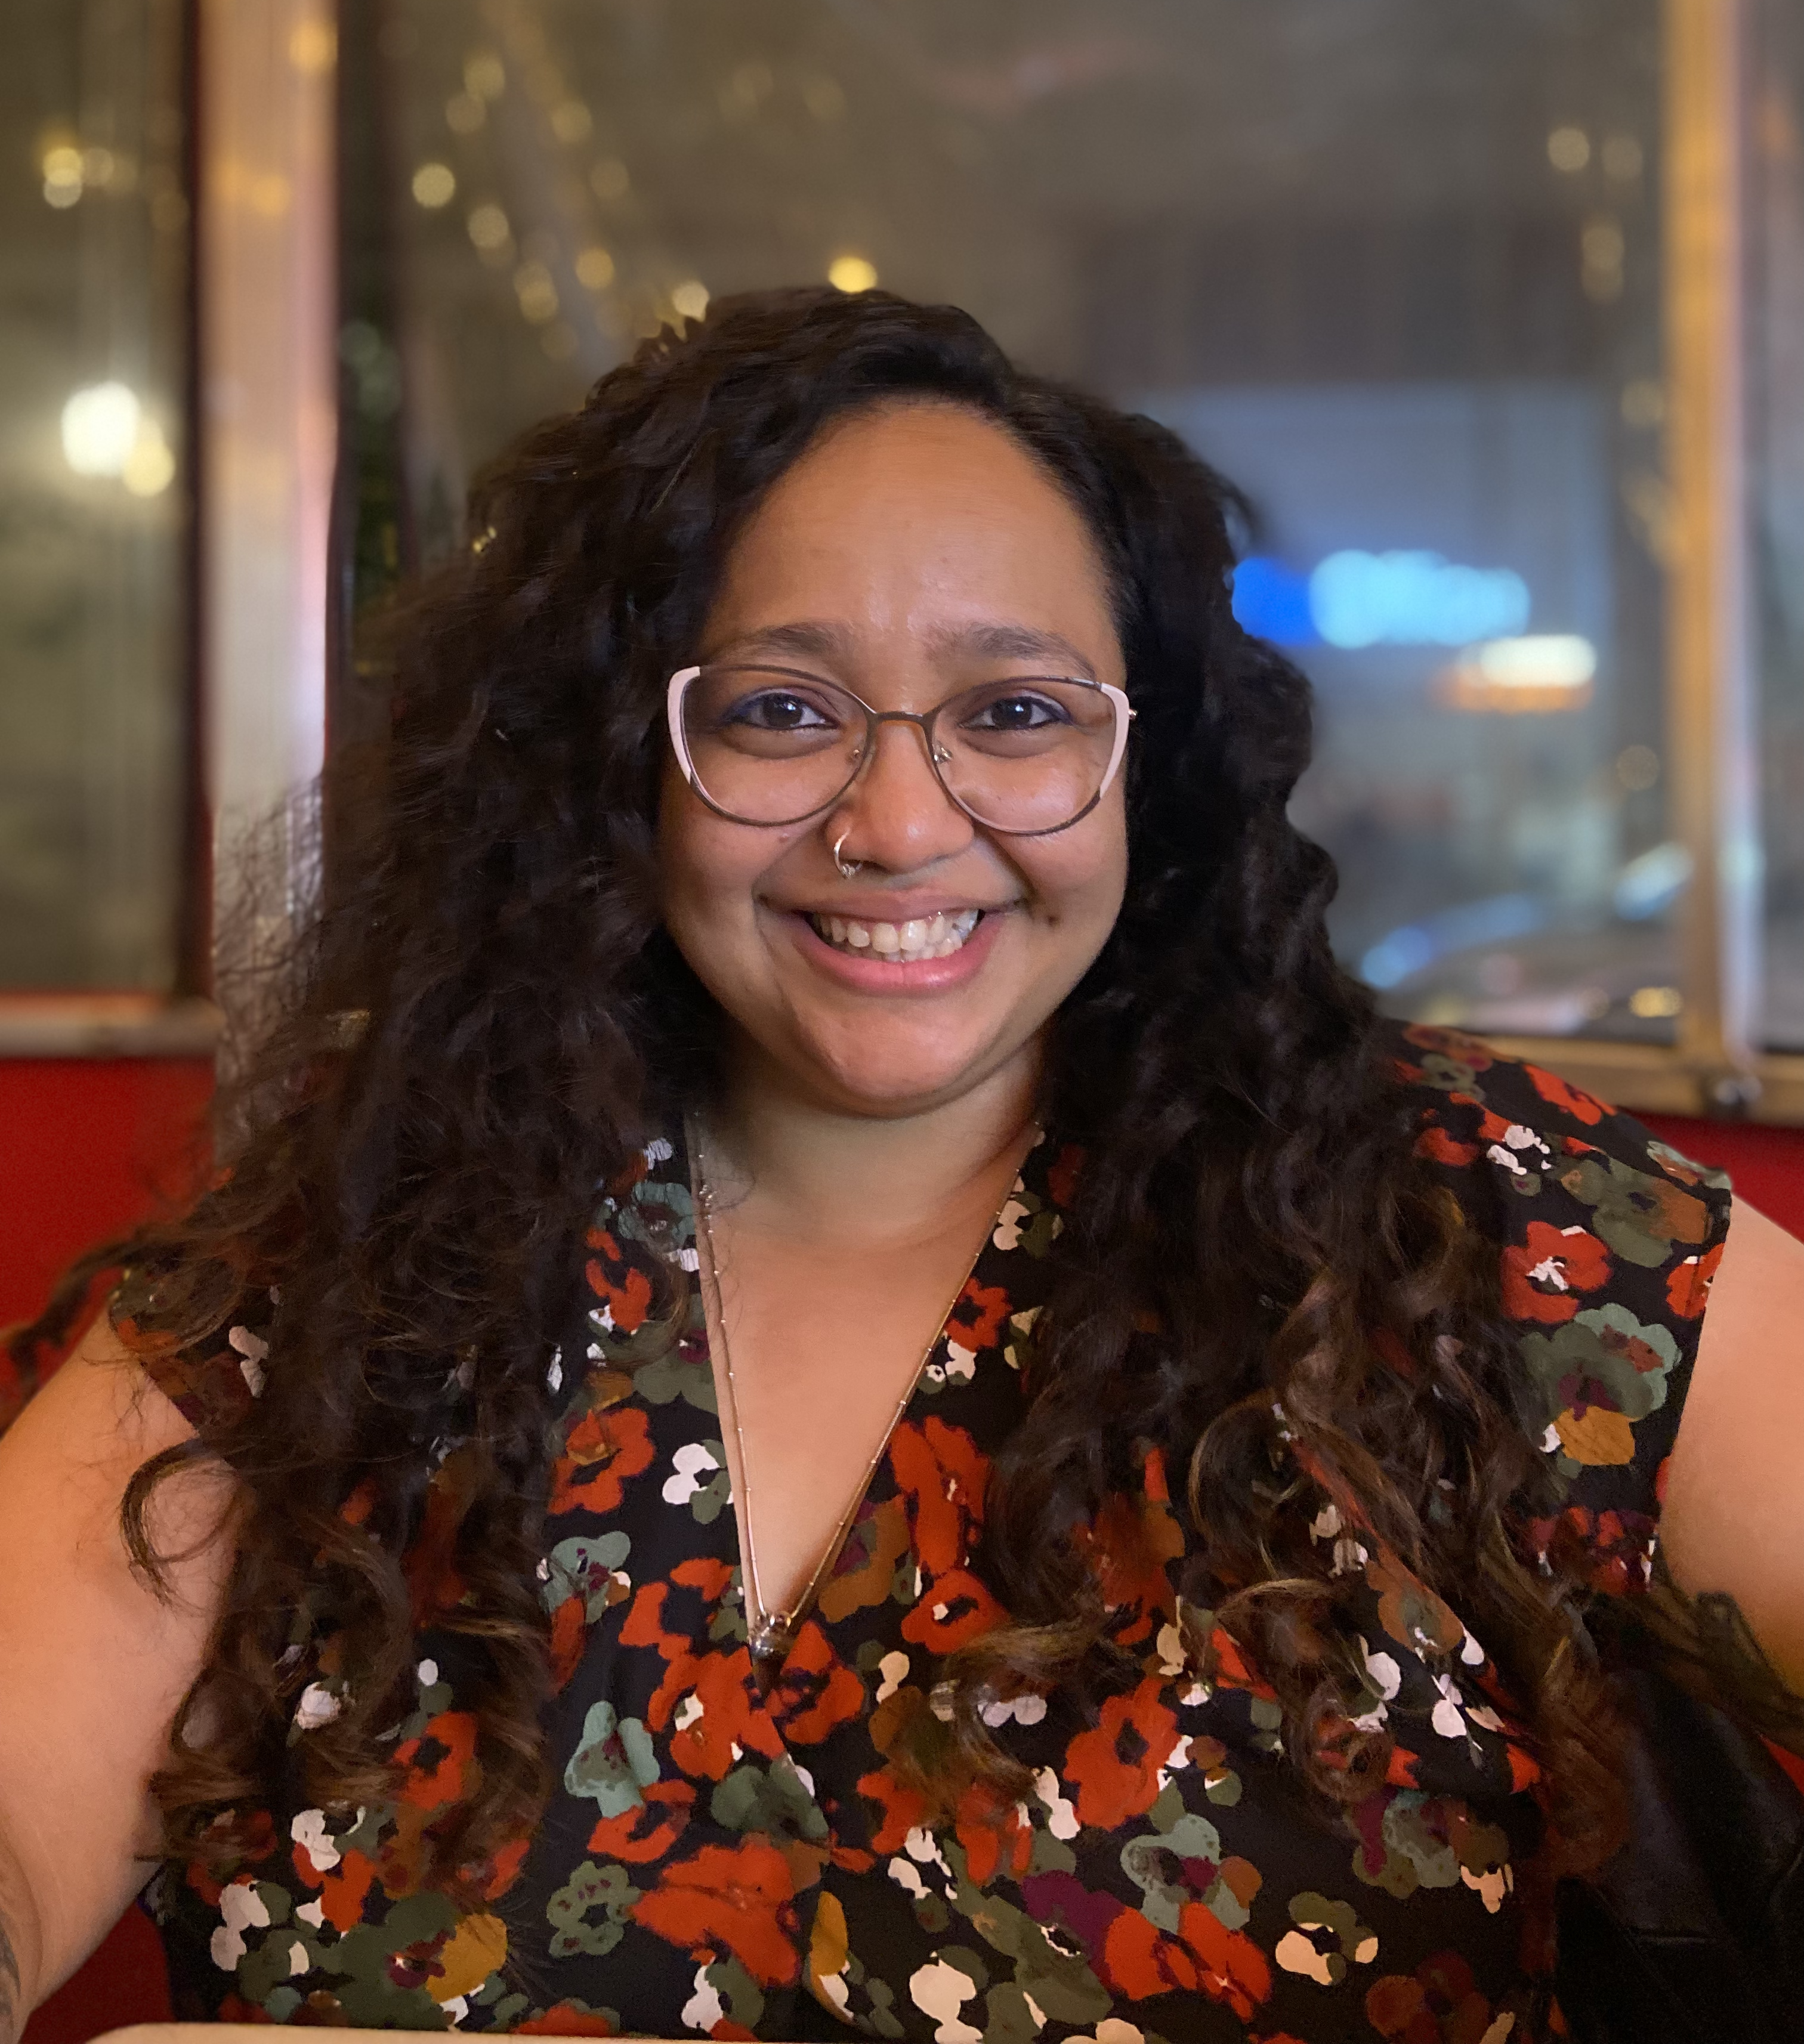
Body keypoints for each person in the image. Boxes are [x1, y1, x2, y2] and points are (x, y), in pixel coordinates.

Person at [0, 288, 1799, 2044]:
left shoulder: (1475, 1237)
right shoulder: (332, 1287)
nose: (899, 825)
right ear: (624, 758)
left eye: (1013, 713)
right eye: (781, 711)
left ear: (1142, 767)